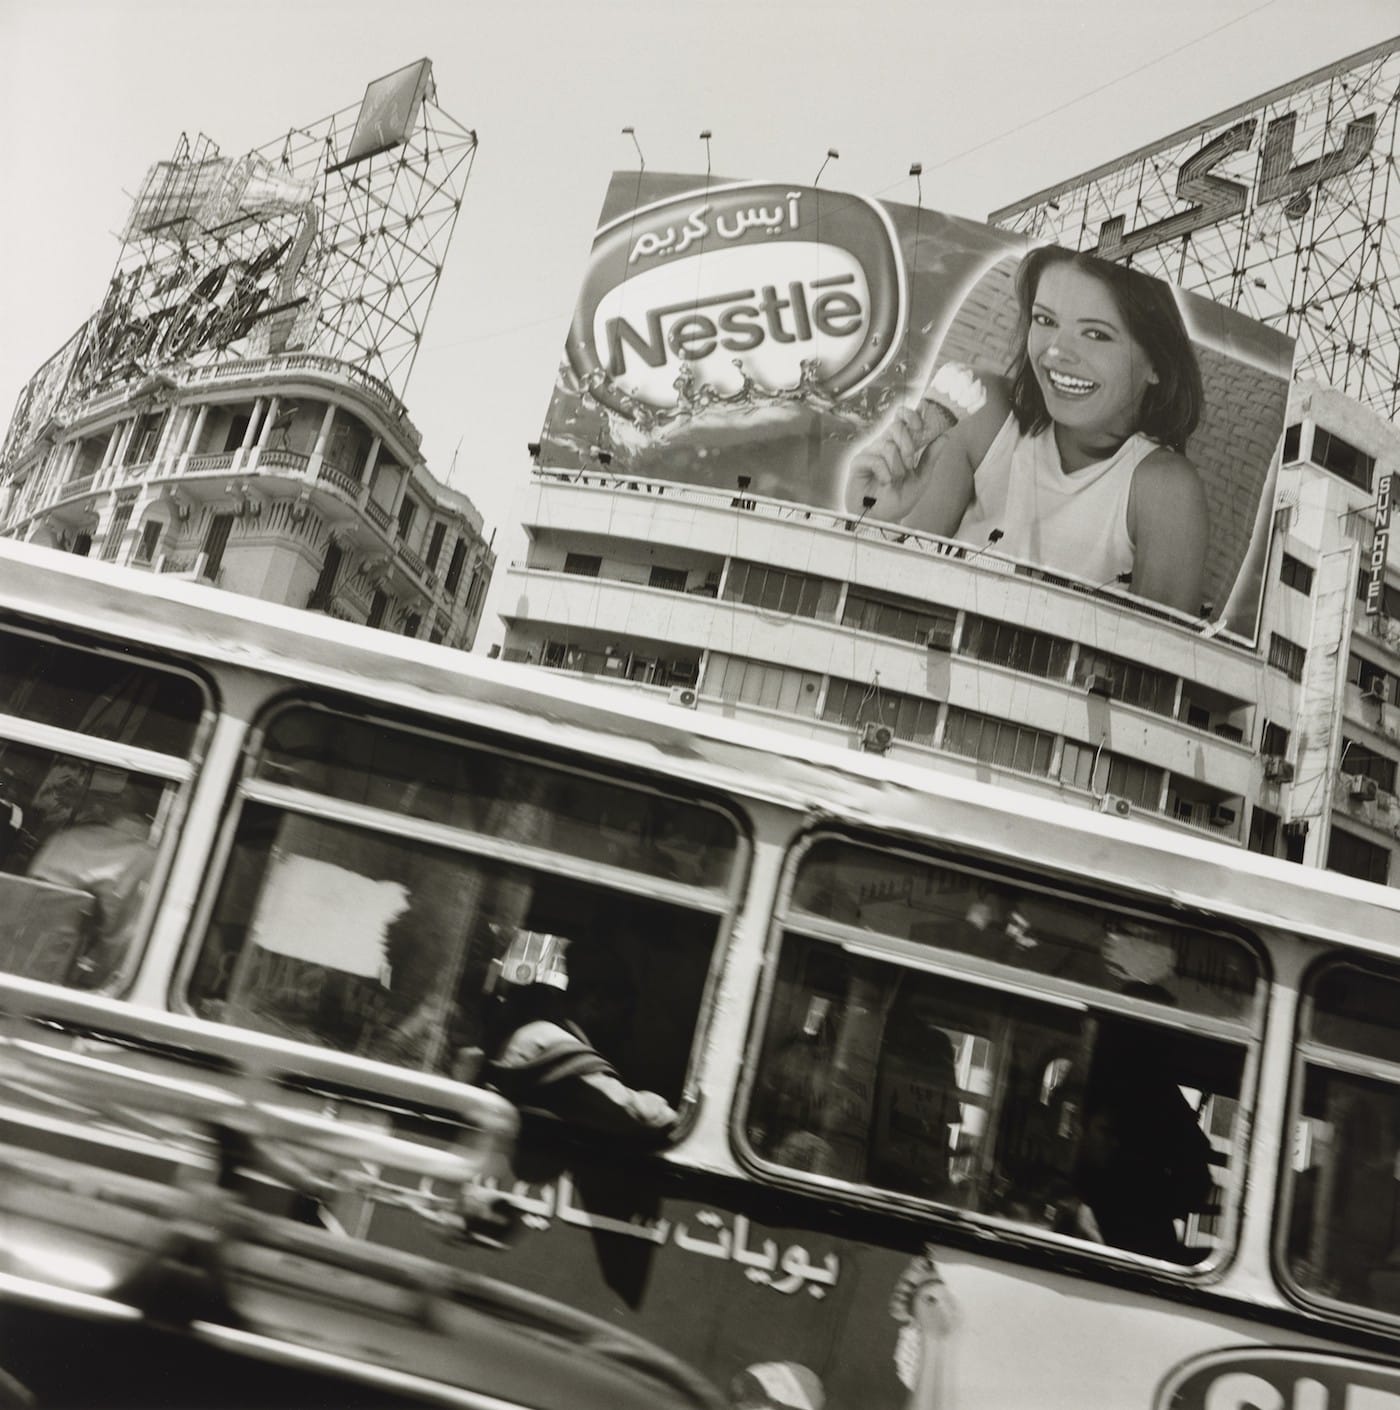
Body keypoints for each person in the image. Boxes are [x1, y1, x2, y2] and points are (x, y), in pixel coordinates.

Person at [846, 245, 1208, 614]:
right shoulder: (981, 412)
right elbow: (887, 600)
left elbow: (1151, 648)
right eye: (1046, 320)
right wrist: (878, 521)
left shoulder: (1165, 490)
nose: (1056, 353)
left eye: (1096, 334)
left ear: (1156, 363)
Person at [484, 930, 678, 1136]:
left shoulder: (541, 1032)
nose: (626, 1029)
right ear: (595, 1002)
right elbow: (648, 1116)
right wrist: (657, 1104)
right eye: (624, 1014)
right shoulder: (552, 1042)